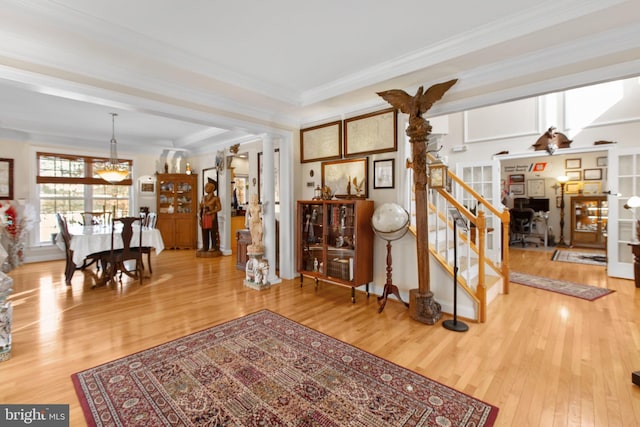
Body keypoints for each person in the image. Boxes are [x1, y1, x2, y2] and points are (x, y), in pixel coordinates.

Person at [199, 178, 222, 252]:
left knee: (213, 232)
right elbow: (201, 208)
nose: (205, 188)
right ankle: (205, 246)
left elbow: (219, 208)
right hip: (204, 217)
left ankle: (214, 247)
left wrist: (211, 212)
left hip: (211, 217)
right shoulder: (203, 198)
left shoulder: (215, 198)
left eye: (207, 187)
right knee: (204, 232)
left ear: (212, 188)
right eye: (205, 187)